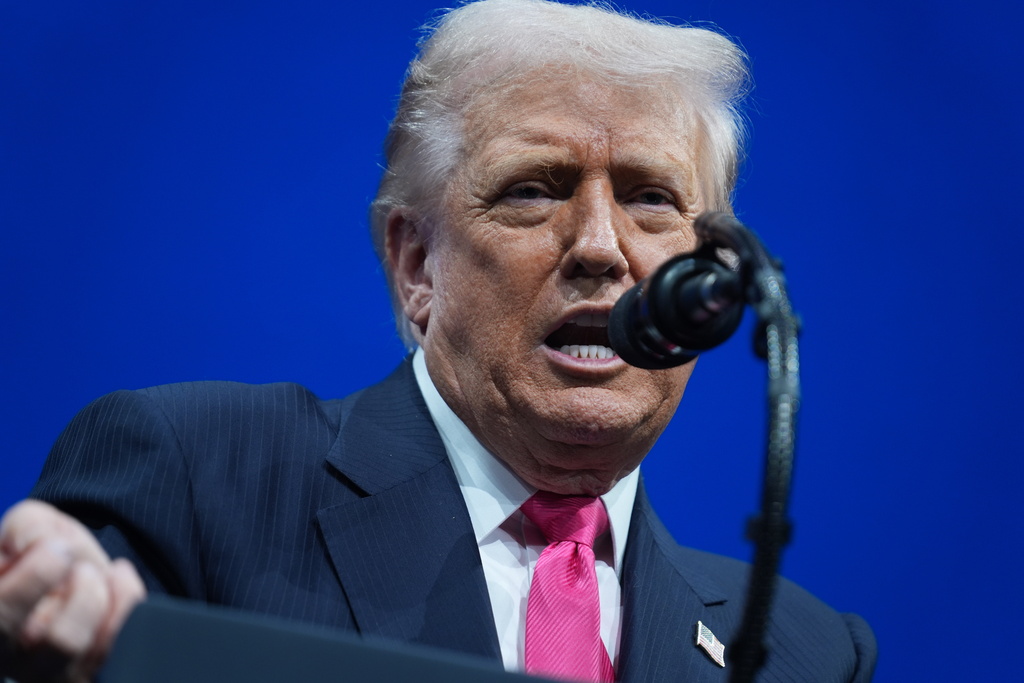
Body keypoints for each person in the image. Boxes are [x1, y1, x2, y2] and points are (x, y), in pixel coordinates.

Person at [0, 0, 877, 681]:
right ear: (417, 264)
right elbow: (65, 621)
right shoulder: (198, 480)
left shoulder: (804, 650)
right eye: (535, 188)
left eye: (652, 197)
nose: (602, 247)